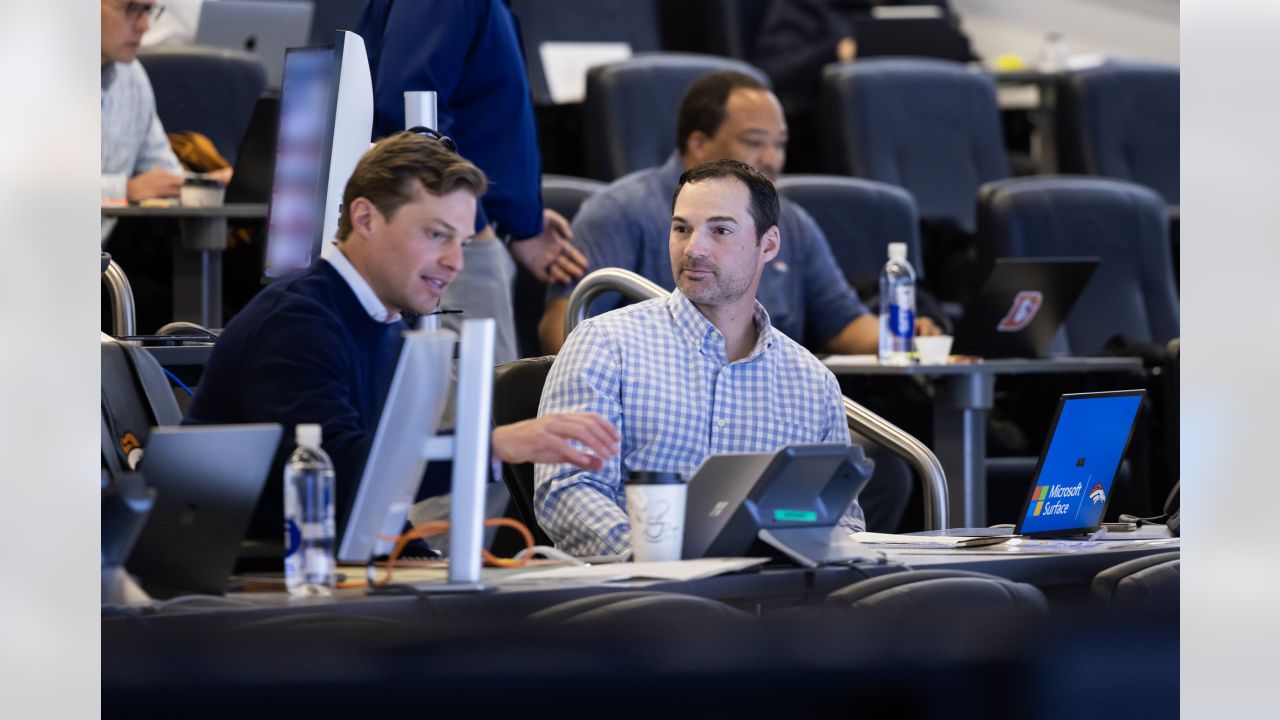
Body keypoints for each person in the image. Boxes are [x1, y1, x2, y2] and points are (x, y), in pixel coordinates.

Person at [186, 132, 619, 540]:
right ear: (365, 218)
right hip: (247, 579)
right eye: (436, 235)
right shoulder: (298, 324)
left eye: (462, 243)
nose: (455, 263)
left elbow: (374, 498)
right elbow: (341, 473)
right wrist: (493, 446)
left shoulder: (376, 318)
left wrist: (417, 554)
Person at [535, 160, 864, 557]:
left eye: (720, 230)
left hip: (770, 599)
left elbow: (842, 518)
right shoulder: (605, 345)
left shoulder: (813, 381)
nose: (694, 249)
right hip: (642, 596)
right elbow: (567, 489)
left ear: (769, 244)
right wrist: (659, 561)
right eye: (681, 229)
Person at [538, 70, 938, 355]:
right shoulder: (619, 211)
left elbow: (843, 323)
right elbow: (562, 329)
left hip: (766, 405)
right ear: (697, 143)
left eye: (779, 144)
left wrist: (905, 335)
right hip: (658, 406)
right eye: (754, 142)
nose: (772, 159)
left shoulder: (790, 221)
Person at [356, 0, 588, 363]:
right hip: (450, 238)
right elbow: (412, 113)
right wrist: (472, 227)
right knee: (477, 411)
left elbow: (482, 119)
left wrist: (519, 222)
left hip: (459, 230)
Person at [101, 0, 184, 210]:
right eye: (130, 8)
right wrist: (125, 190)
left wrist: (205, 185)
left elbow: (161, 172)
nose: (145, 26)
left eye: (147, 10)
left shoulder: (133, 77)